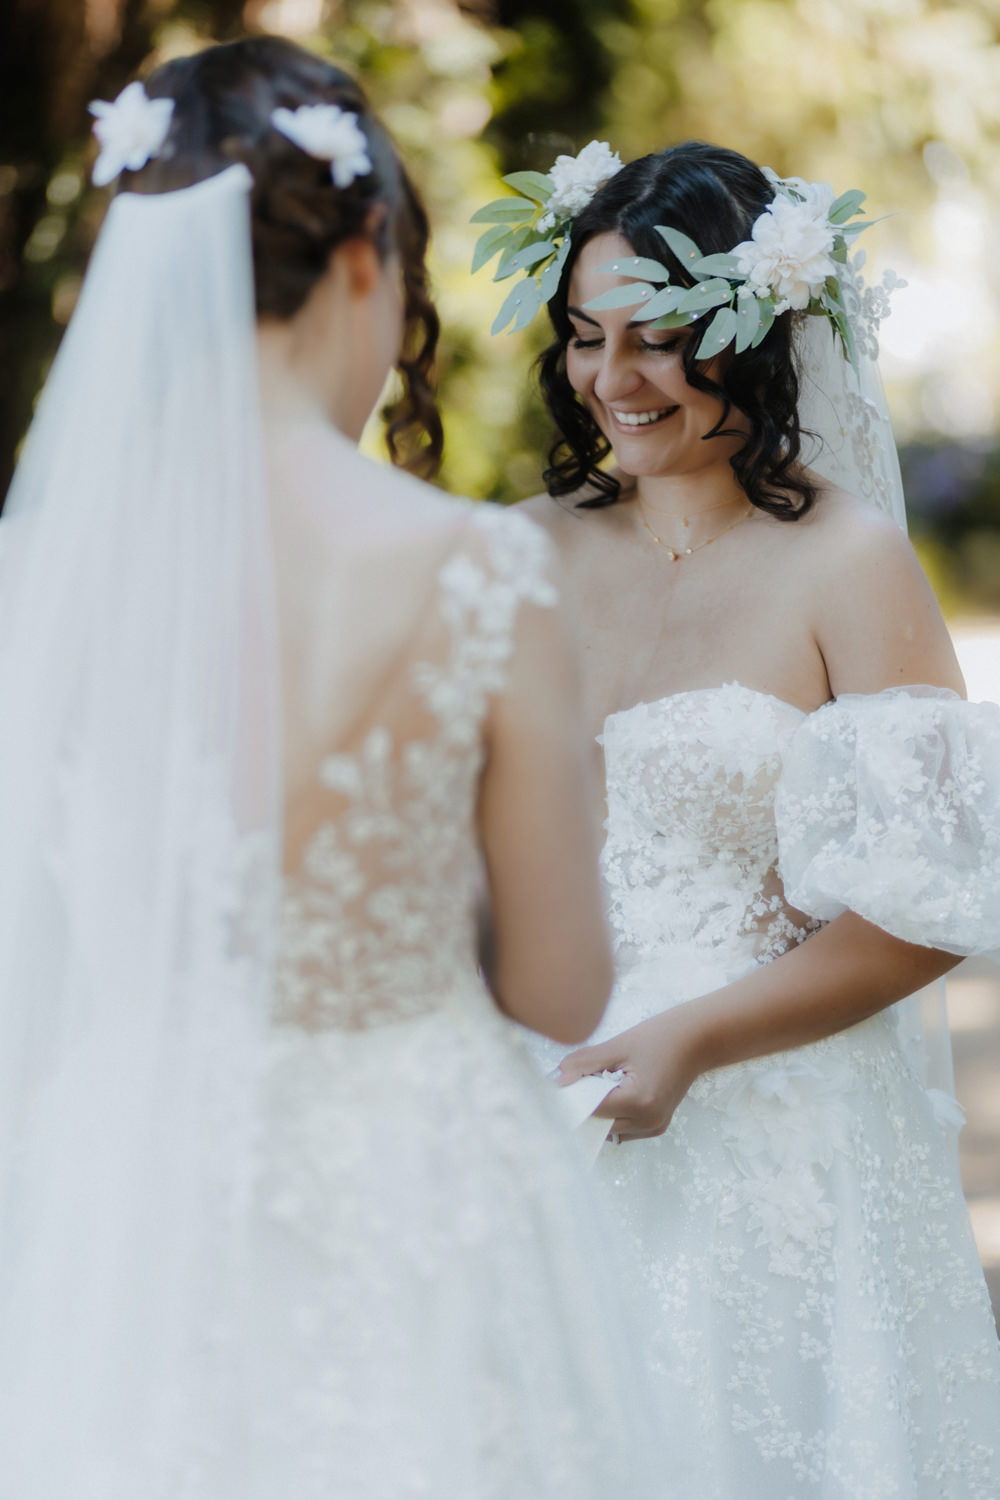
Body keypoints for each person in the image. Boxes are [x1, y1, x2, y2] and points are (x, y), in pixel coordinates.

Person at [0, 39, 664, 1499]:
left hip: (130, 1191)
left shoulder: (38, 581)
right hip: (409, 1191)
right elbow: (559, 988)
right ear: (368, 253)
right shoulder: (475, 567)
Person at [478, 140, 1000, 1496]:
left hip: (773, 1144)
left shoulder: (845, 563)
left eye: (659, 340)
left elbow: (926, 906)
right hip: (537, 1116)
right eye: (588, 337)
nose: (614, 379)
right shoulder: (519, 551)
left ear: (755, 333)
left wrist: (693, 1039)